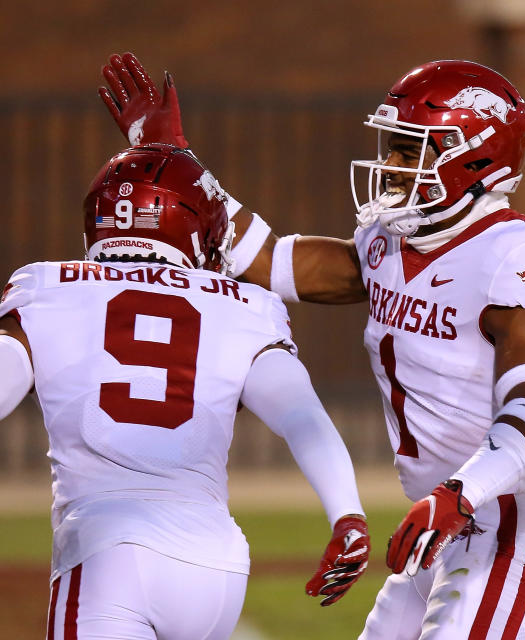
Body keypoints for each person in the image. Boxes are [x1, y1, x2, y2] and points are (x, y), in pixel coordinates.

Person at [98, 53, 525, 638]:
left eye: (409, 148)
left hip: (501, 517)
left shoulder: (517, 256)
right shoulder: (388, 245)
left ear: (471, 156)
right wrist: (177, 163)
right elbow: (267, 260)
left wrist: (463, 491)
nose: (390, 164)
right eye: (391, 146)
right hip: (435, 522)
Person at [0, 144, 371, 639]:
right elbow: (301, 417)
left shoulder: (46, 287)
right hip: (215, 566)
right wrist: (347, 512)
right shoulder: (245, 306)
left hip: (106, 548)